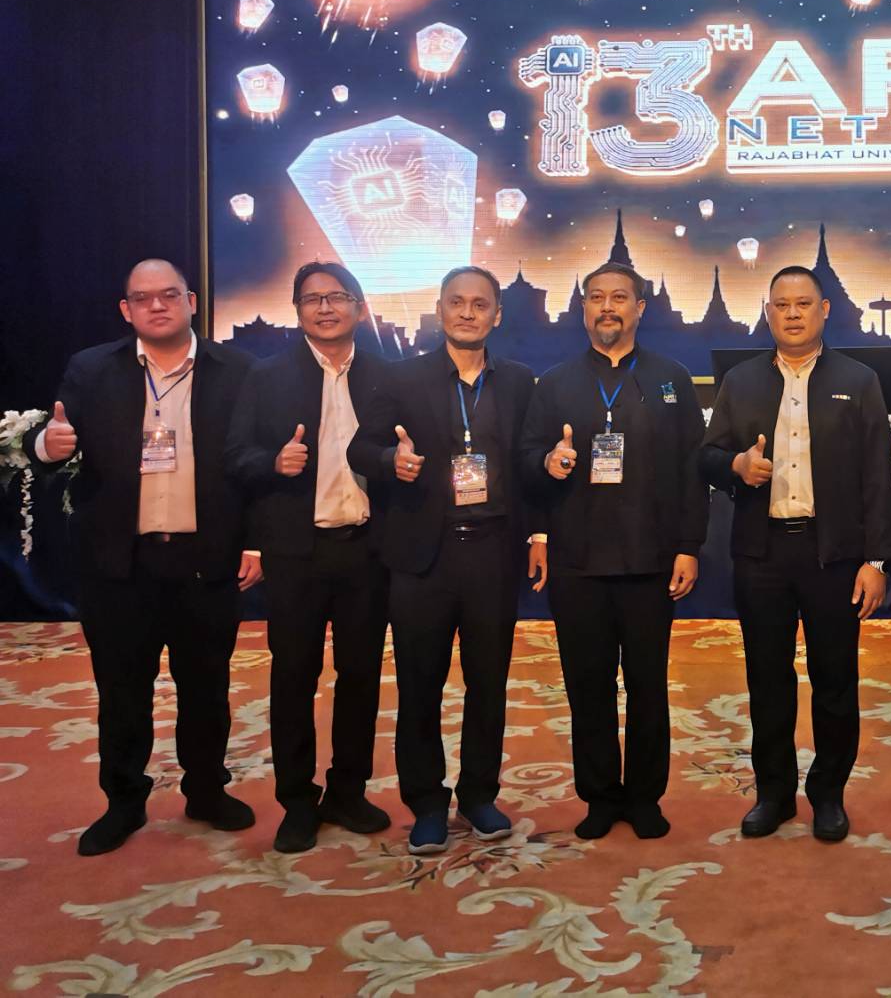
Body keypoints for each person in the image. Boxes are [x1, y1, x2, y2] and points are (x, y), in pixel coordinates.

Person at [28, 258, 262, 855]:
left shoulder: (237, 370)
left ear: (191, 301)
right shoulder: (91, 369)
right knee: (122, 691)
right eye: (142, 298)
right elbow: (50, 443)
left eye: (168, 295)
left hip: (204, 559)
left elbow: (252, 465)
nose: (157, 306)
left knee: (206, 688)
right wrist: (48, 445)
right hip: (119, 564)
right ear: (125, 310)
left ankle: (206, 791)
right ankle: (124, 802)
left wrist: (255, 540)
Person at [347, 265, 542, 855]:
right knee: (419, 684)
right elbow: (361, 448)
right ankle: (427, 803)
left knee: (488, 683)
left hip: (493, 554)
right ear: (440, 309)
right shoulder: (402, 377)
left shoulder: (520, 382)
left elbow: (527, 463)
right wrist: (391, 462)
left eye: (479, 304)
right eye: (456, 302)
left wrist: (538, 529)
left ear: (497, 315)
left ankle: (479, 794)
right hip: (422, 556)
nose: (467, 313)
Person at [699, 265, 891, 842]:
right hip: (761, 554)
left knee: (835, 679)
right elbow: (708, 457)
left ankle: (828, 794)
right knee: (768, 680)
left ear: (824, 309)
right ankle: (774, 794)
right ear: (768, 313)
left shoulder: (859, 380)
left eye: (803, 304)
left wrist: (876, 561)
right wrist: (736, 466)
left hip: (833, 555)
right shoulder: (740, 381)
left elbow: (877, 477)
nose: (792, 314)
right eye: (781, 305)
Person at [521, 261, 708, 841]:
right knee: (588, 686)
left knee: (648, 686)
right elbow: (526, 459)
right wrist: (548, 464)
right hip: (578, 562)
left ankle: (645, 796)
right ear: (583, 309)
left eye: (619, 297)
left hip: (650, 561)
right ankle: (600, 796)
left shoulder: (672, 379)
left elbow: (692, 471)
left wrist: (689, 546)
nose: (608, 306)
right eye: (596, 297)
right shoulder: (554, 384)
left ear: (640, 309)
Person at [224, 262, 393, 853]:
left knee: (361, 676)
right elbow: (235, 455)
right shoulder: (266, 376)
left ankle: (348, 790)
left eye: (337, 296)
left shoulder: (388, 376)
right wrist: (273, 463)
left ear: (359, 307)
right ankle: (297, 800)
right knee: (294, 675)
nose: (325, 307)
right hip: (297, 551)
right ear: (297, 310)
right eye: (312, 299)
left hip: (366, 550)